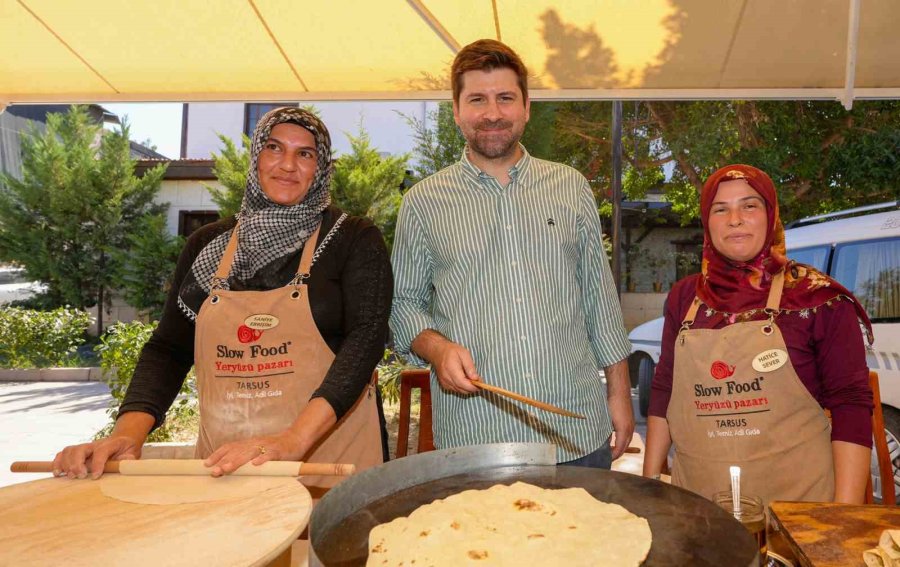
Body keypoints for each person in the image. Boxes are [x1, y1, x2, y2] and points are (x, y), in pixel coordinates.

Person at [53, 108, 393, 492]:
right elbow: (169, 349)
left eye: (305, 154)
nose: (287, 164)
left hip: (328, 467)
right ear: (255, 159)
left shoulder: (353, 238)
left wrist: (291, 441)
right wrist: (128, 434)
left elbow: (365, 341)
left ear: (321, 168)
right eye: (273, 148)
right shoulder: (208, 246)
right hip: (227, 469)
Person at [390, 39, 633, 467]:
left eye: (505, 98)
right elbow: (402, 303)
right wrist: (437, 348)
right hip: (474, 439)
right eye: (477, 99)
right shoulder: (423, 202)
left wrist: (619, 395)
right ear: (456, 109)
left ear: (526, 107)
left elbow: (599, 297)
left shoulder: (569, 187)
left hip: (575, 432)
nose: (492, 113)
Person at [642, 164, 874, 504]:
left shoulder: (817, 298)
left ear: (771, 213)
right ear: (707, 221)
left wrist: (842, 516)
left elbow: (851, 405)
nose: (734, 219)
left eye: (749, 205)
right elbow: (665, 386)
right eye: (720, 209)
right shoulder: (685, 297)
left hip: (797, 510)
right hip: (700, 507)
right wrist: (651, 486)